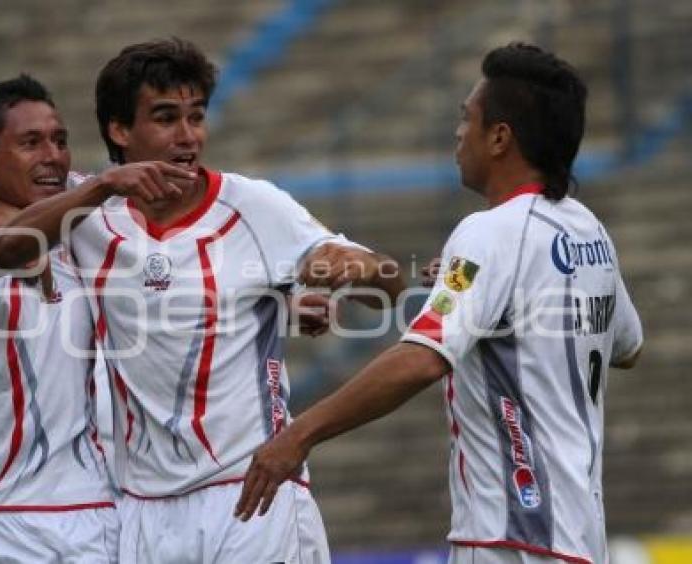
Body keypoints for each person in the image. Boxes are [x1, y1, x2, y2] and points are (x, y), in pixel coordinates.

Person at [0, 37, 405, 563]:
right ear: (120, 131)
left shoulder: (254, 205)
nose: (187, 136)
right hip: (139, 513)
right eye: (167, 118)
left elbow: (386, 287)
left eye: (196, 117)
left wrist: (355, 276)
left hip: (249, 489)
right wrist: (6, 223)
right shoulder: (87, 213)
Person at [234, 42, 644, 564]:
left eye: (466, 118)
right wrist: (468, 294)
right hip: (579, 539)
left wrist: (299, 433)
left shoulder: (490, 233)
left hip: (510, 537)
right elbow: (628, 345)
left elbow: (422, 359)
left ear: (499, 137)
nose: (458, 134)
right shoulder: (589, 232)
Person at [0, 74, 191, 562]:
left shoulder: (88, 229)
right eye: (30, 143)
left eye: (60, 141)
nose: (54, 156)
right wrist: (97, 187)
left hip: (96, 511)